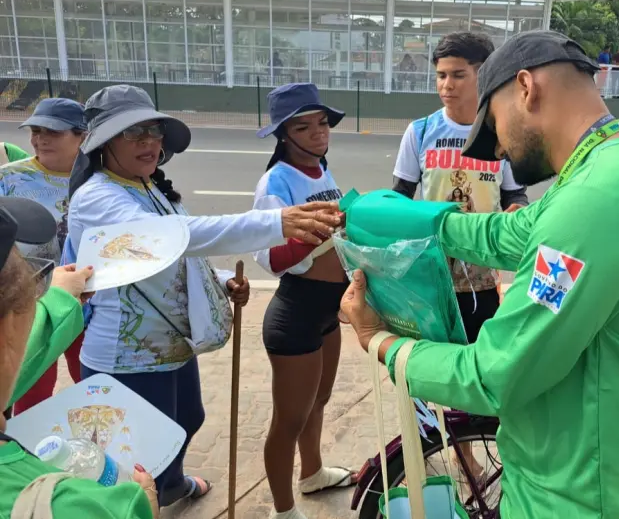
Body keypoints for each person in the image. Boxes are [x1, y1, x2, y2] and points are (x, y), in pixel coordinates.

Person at [342, 30, 619, 518]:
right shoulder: (618, 168)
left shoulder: (595, 202)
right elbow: (511, 233)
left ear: (525, 88)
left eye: (494, 126)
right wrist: (420, 221)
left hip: (583, 496)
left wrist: (378, 340)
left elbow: (495, 375)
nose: (496, 153)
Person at [66, 84, 343, 507]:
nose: (148, 143)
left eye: (154, 132)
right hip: (127, 355)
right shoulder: (98, 197)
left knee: (187, 419)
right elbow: (170, 237)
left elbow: (176, 255)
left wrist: (219, 279)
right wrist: (274, 222)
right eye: (133, 134)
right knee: (136, 463)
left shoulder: (149, 188)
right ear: (103, 143)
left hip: (173, 342)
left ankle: (173, 486)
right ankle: (148, 502)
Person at [392, 32, 528, 477]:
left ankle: (480, 447)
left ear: (482, 75)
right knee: (423, 375)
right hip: (429, 282)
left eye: (457, 75)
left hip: (482, 283)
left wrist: (515, 212)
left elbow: (517, 198)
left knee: (482, 372)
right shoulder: (420, 132)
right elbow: (399, 201)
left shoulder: (499, 132)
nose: (446, 85)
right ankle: (446, 458)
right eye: (440, 76)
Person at [0, 196, 159, 519]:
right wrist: (143, 507)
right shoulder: (78, 506)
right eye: (35, 284)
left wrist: (58, 297)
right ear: (8, 326)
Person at [252, 83, 354, 519]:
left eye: (322, 123)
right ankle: (283, 510)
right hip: (295, 314)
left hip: (327, 312)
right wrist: (323, 230)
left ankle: (311, 473)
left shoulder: (320, 171)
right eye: (304, 126)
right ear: (283, 134)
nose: (318, 133)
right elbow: (269, 257)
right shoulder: (276, 180)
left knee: (319, 400)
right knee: (287, 422)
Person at [1, 97, 87, 416]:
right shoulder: (8, 179)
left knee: (94, 387)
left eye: (53, 131)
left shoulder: (97, 180)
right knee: (31, 392)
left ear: (82, 135)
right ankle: (26, 457)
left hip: (87, 299)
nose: (41, 139)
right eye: (36, 130)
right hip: (28, 305)